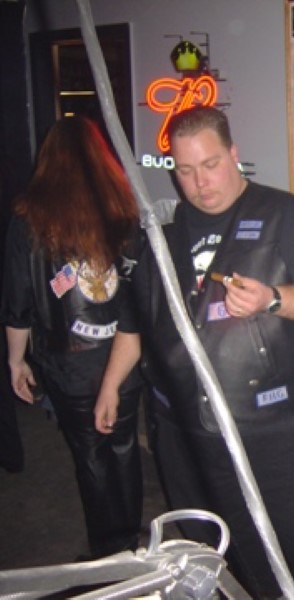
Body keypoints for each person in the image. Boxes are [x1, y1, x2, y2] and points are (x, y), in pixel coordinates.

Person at [97, 106, 294, 599]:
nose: (200, 183)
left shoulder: (282, 214)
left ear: (233, 154)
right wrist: (111, 385)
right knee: (216, 554)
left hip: (279, 431)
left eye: (211, 164)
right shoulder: (162, 234)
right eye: (185, 170)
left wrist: (272, 299)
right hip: (189, 435)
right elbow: (137, 323)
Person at [0, 116, 143, 558]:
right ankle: (131, 544)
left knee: (90, 455)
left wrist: (15, 360)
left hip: (69, 365)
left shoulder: (28, 221)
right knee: (123, 446)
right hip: (124, 355)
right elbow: (138, 296)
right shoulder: (124, 214)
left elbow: (18, 304)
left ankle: (109, 553)